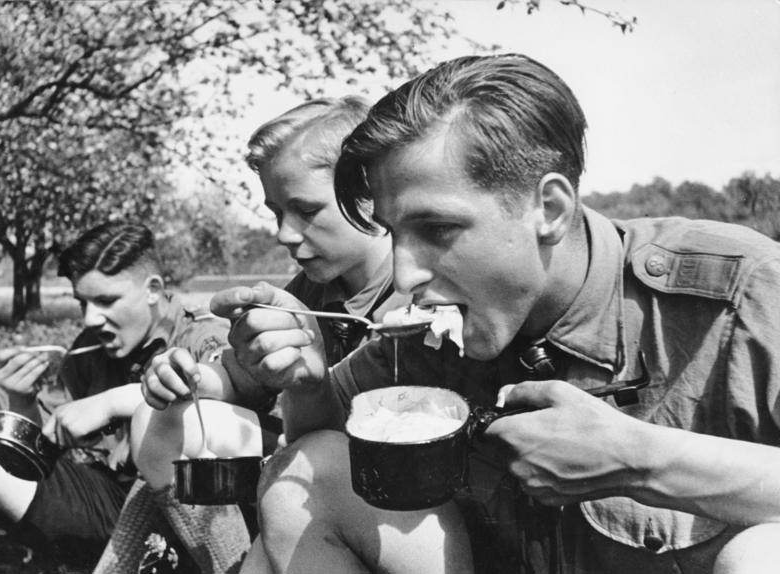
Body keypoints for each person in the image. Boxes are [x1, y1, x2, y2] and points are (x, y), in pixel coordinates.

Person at [193, 53, 780, 574]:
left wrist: (639, 460)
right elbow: (318, 441)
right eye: (394, 234)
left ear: (548, 208)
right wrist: (304, 378)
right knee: (312, 472)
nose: (404, 277)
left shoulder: (740, 293)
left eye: (438, 229)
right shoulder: (429, 332)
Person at [126, 96, 411, 571]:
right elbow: (240, 375)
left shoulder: (412, 296)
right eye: (278, 212)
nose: (283, 234)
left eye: (305, 210)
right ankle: (231, 559)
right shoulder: (310, 290)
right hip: (309, 463)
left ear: (369, 196)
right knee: (156, 421)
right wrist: (183, 376)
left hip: (383, 494)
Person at [0, 222, 232, 568]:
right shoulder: (92, 346)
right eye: (82, 303)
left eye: (106, 301)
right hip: (107, 500)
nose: (91, 319)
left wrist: (115, 402)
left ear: (153, 289)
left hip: (179, 513)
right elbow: (50, 443)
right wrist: (21, 399)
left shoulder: (201, 336)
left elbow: (234, 414)